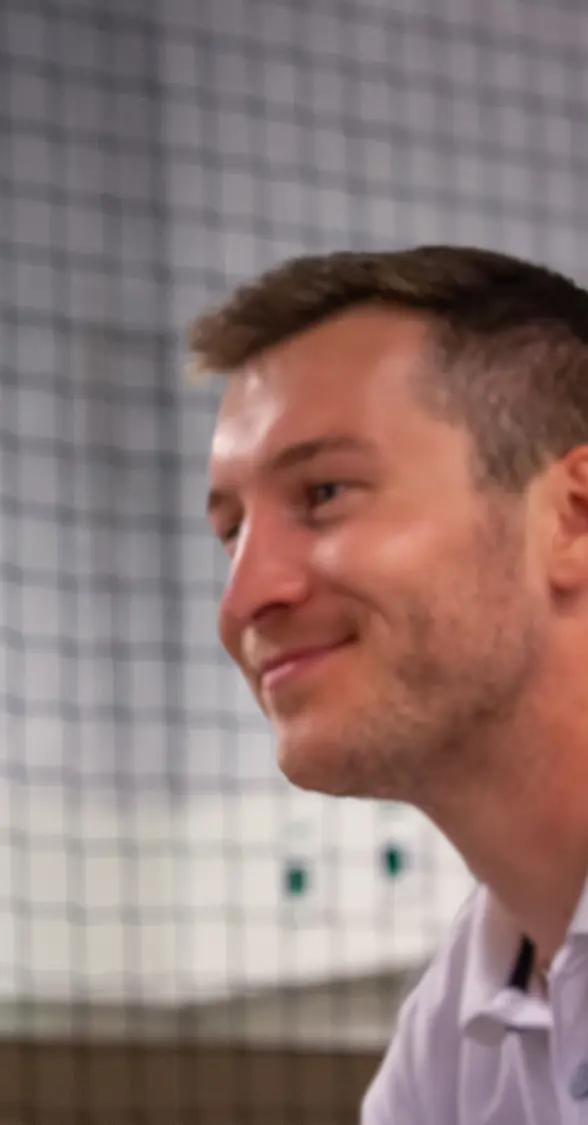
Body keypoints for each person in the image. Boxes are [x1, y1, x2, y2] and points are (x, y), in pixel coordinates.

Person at [189, 244, 588, 1124]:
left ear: (572, 515)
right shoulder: (459, 1031)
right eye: (231, 531)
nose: (245, 599)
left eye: (325, 492)